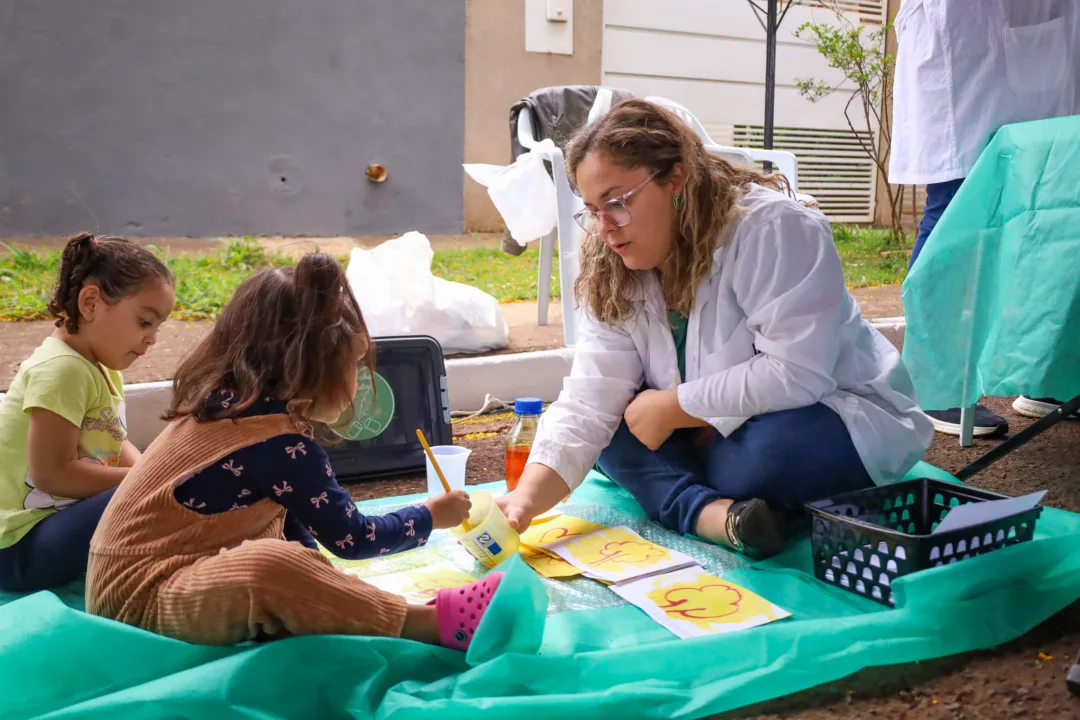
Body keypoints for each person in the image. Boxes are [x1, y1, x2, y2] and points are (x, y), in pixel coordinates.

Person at [495, 100, 934, 559]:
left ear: (676, 179)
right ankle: (716, 516)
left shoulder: (772, 228)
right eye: (591, 209)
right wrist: (522, 503)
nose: (604, 227)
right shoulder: (615, 264)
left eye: (618, 202)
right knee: (609, 433)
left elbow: (798, 373)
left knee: (761, 461)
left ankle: (695, 496)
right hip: (709, 433)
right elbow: (590, 401)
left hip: (824, 414)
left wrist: (672, 407)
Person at [85, 253, 504, 649]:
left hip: (164, 580)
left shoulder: (236, 407)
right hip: (139, 604)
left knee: (286, 562)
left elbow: (285, 520)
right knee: (269, 567)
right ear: (309, 362)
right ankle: (430, 624)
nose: (358, 380)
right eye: (353, 363)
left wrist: (321, 582)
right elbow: (353, 538)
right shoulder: (280, 447)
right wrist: (430, 515)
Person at [890, 0, 1080, 432]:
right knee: (957, 212)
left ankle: (1046, 375)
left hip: (1044, 36)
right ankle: (935, 388)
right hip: (969, 44)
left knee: (1055, 214)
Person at [0, 233, 175, 593]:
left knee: (163, 485)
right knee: (153, 493)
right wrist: (147, 483)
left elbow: (115, 439)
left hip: (50, 531)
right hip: (18, 547)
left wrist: (156, 473)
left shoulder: (101, 369)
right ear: (91, 302)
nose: (152, 338)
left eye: (158, 327)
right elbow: (53, 475)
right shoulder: (61, 369)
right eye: (145, 322)